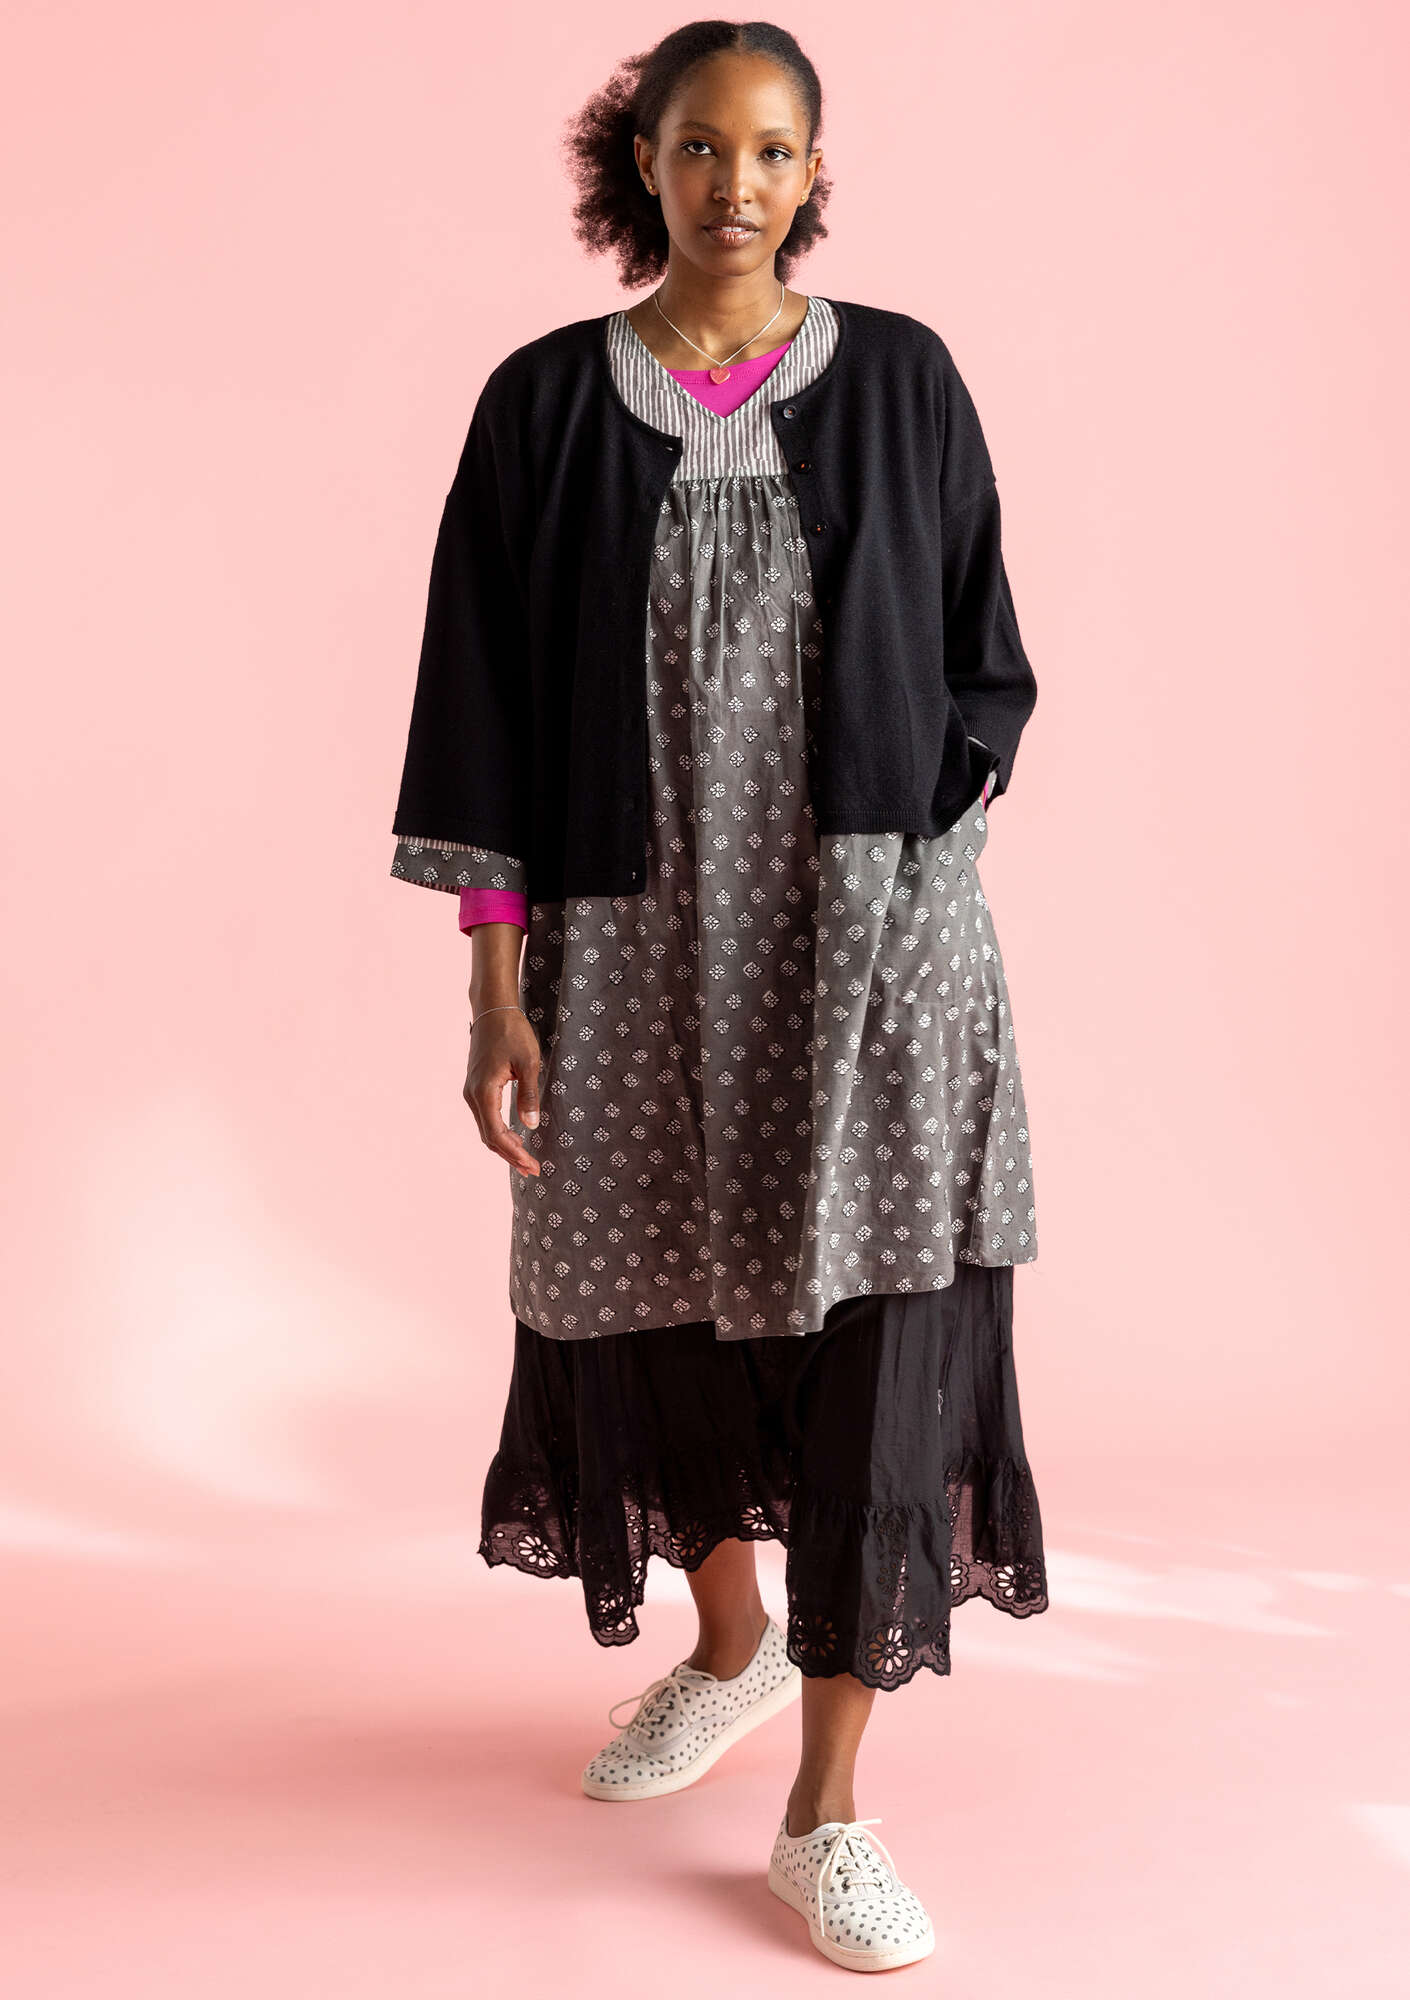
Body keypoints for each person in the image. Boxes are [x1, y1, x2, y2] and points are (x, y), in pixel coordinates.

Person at [389, 20, 1047, 1975]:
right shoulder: (542, 407)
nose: (735, 183)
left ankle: (826, 1811)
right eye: (698, 146)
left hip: (874, 951)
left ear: (815, 172)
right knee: (654, 1313)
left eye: (772, 150)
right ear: (643, 164)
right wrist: (494, 988)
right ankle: (731, 1645)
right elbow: (482, 705)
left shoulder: (905, 379)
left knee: (876, 1351)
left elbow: (983, 652)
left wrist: (926, 854)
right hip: (630, 947)